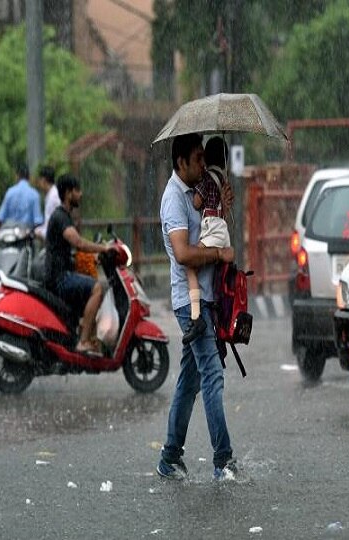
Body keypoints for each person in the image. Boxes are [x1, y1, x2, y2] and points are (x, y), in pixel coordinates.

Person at [157, 133, 238, 481]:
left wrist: (221, 209)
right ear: (181, 163)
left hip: (207, 297)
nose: (204, 165)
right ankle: (224, 460)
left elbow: (207, 225)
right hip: (189, 304)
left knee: (190, 381)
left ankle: (169, 458)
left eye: (206, 159)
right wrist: (218, 253)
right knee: (213, 377)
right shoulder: (173, 198)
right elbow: (183, 253)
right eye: (198, 160)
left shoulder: (195, 192)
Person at [45, 174, 112, 355]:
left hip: (62, 274)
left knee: (91, 287)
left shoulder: (64, 215)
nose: (80, 194)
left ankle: (87, 336)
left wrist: (95, 257)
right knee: (97, 288)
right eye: (77, 190)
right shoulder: (60, 217)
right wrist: (103, 248)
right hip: (59, 278)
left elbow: (71, 249)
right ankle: (83, 342)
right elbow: (78, 242)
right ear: (68, 193)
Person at [182, 136, 232, 344]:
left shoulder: (207, 178)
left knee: (190, 265)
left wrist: (195, 191)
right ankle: (220, 318)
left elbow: (195, 203)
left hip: (211, 228)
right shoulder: (222, 178)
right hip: (222, 229)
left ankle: (196, 317)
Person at [0, 163, 44, 235]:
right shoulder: (34, 194)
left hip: (9, 235)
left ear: (17, 176)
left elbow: (0, 219)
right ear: (29, 177)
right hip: (26, 236)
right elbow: (38, 222)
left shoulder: (10, 192)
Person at [34, 165, 59, 241]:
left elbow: (49, 230)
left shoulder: (52, 198)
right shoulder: (52, 194)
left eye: (39, 180)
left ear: (43, 180)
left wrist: (37, 232)